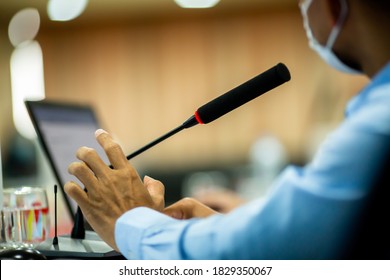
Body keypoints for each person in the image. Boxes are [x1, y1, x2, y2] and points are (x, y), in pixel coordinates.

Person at [64, 0, 390, 259]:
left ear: (336, 6)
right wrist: (233, 224)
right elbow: (312, 230)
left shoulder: (377, 125)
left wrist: (128, 221)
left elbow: (266, 252)